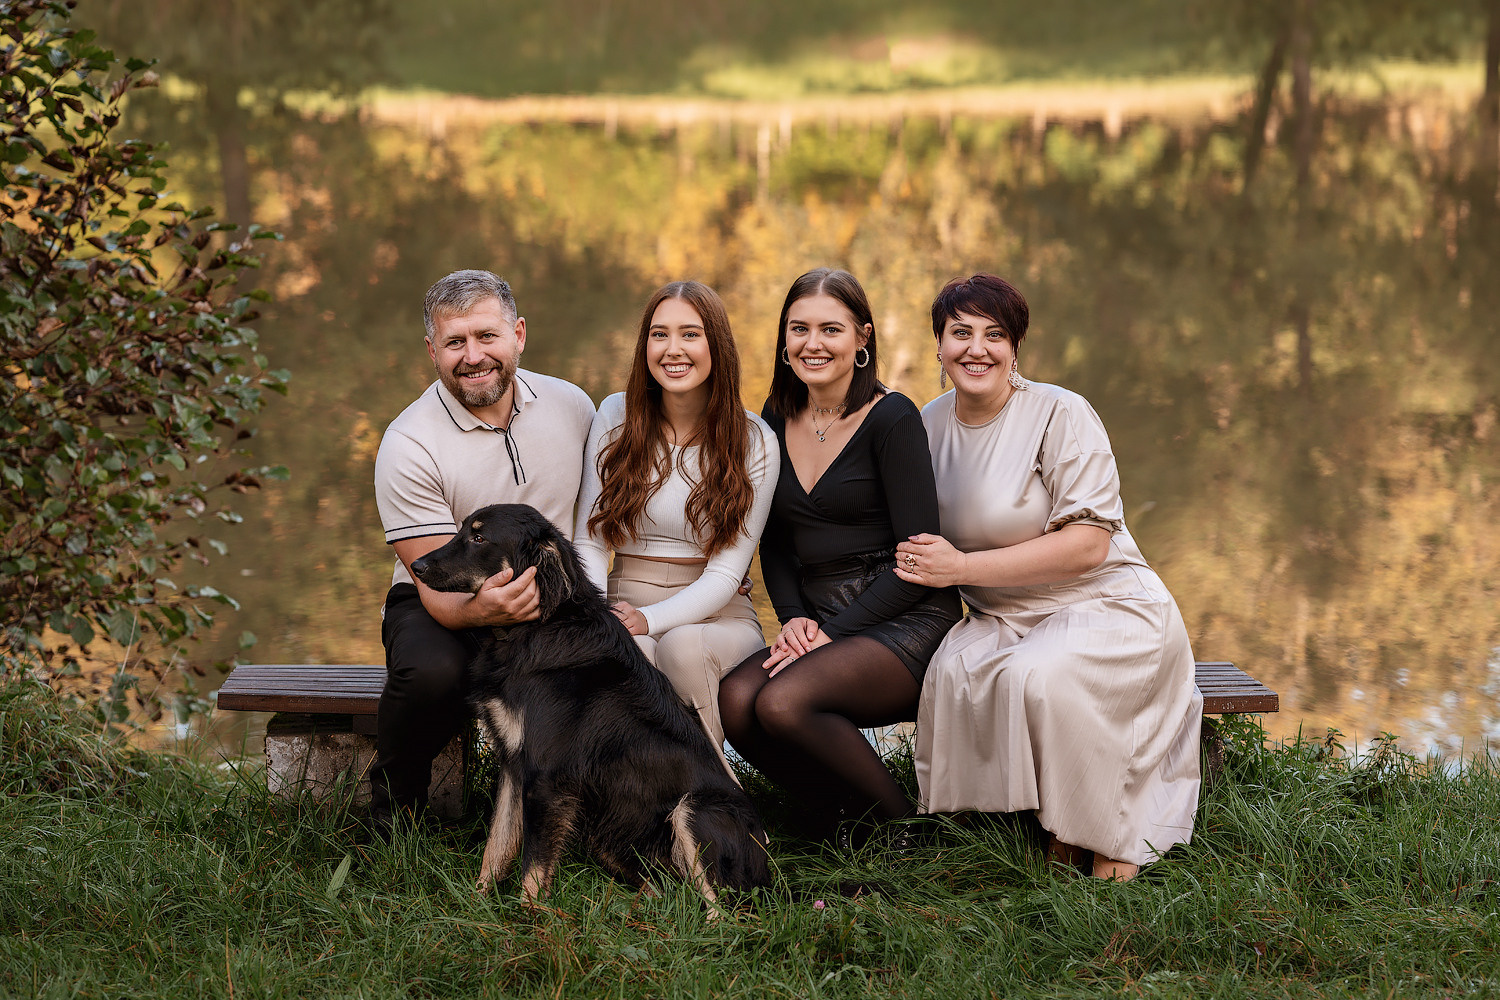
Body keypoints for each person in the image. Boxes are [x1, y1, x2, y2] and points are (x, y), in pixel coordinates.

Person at [895, 273, 1202, 881]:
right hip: (1002, 614)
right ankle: (1041, 822)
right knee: (954, 672)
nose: (977, 349)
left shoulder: (1061, 412)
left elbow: (1089, 545)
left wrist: (961, 568)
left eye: (994, 335)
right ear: (939, 345)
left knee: (1040, 675)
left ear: (1015, 348)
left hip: (1105, 601)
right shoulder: (925, 425)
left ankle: (1106, 836)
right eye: (961, 333)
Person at [717, 267, 962, 840]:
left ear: (862, 338)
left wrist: (832, 633)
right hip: (823, 617)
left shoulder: (892, 418)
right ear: (784, 340)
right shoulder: (775, 416)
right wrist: (794, 618)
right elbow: (775, 540)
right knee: (738, 699)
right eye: (799, 328)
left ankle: (906, 832)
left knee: (782, 702)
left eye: (831, 329)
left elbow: (918, 563)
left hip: (905, 616)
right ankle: (841, 818)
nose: (813, 343)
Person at [372, 269, 595, 832]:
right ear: (432, 351)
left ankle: (595, 806)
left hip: (551, 596)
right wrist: (486, 611)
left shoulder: (572, 406)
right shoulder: (408, 442)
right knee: (432, 671)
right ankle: (396, 810)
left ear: (518, 334)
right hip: (442, 597)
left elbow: (611, 510)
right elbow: (435, 588)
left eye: (487, 336)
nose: (473, 357)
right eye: (455, 342)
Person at [573, 280, 779, 776]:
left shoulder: (754, 439)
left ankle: (717, 796)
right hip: (622, 600)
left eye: (690, 334)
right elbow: (590, 539)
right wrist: (598, 615)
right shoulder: (615, 415)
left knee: (682, 647)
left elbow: (727, 573)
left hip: (716, 614)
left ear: (717, 346)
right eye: (659, 334)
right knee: (632, 652)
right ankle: (638, 802)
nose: (672, 349)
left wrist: (649, 620)